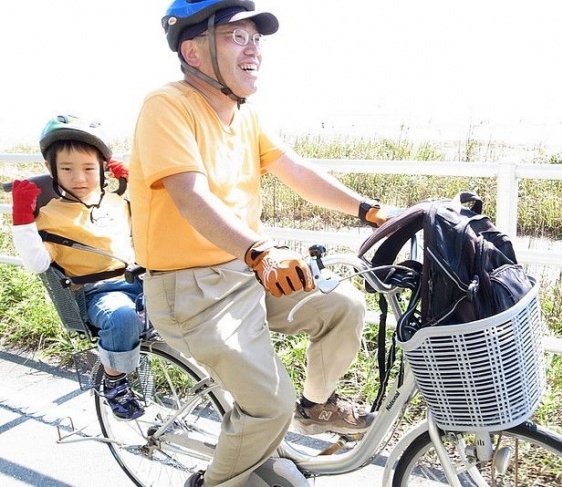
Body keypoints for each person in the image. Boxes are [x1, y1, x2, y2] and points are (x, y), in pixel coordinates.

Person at [128, 1, 395, 485]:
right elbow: (190, 194)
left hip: (243, 275)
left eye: (256, 38)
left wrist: (372, 211)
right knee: (269, 408)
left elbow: (295, 170)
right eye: (236, 36)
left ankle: (315, 408)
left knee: (343, 307)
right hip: (190, 293)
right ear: (193, 49)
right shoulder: (167, 105)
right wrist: (260, 251)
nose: (254, 48)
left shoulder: (244, 116)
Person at [11, 114, 146, 421]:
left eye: (89, 168)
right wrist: (22, 217)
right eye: (67, 169)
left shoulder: (115, 202)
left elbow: (153, 216)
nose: (80, 178)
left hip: (140, 279)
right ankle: (114, 383)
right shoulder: (49, 215)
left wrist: (133, 182)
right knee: (123, 317)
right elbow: (36, 263)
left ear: (103, 168)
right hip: (96, 293)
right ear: (51, 170)